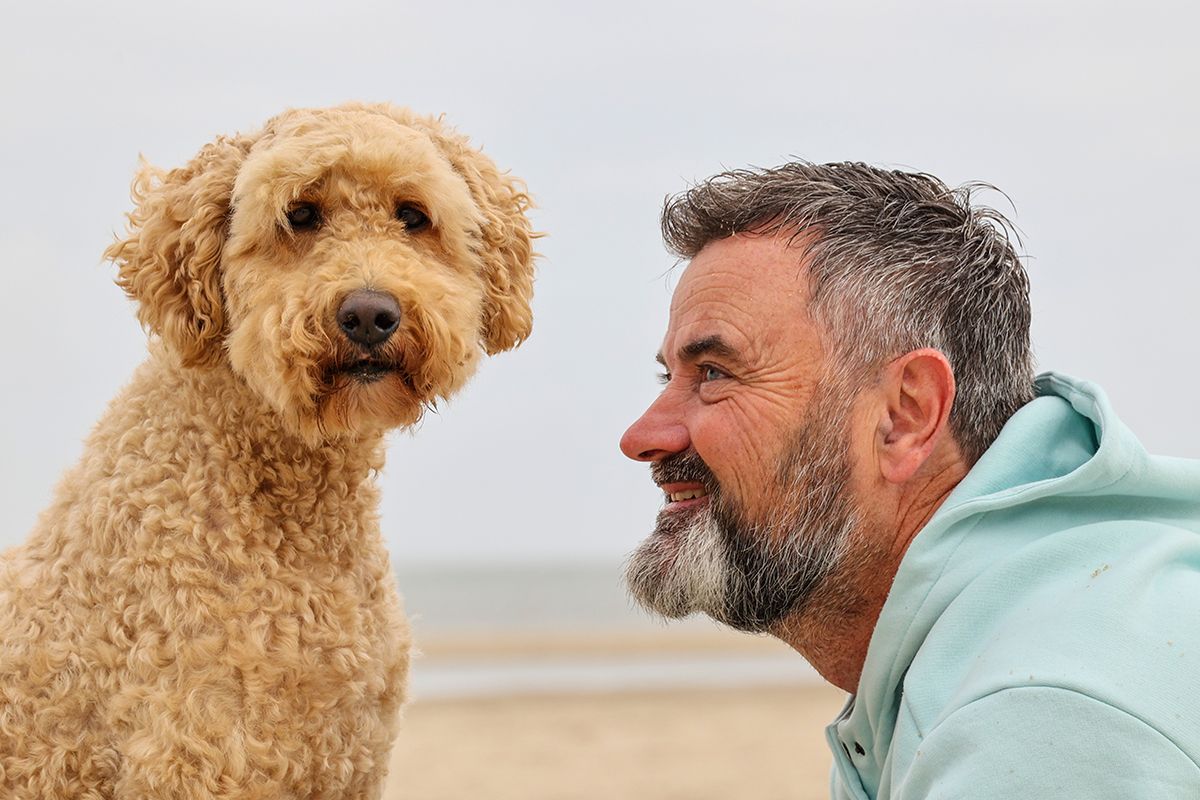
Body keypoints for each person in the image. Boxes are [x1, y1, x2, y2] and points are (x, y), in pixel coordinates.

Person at [619, 162, 1200, 798]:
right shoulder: (1011, 635)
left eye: (713, 374)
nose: (644, 437)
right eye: (667, 377)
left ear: (904, 417)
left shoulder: (1040, 713)